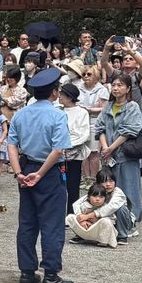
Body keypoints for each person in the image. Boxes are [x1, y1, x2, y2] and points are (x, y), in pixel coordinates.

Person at [7, 68, 74, 283]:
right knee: (52, 223)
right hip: (49, 171)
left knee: (27, 222)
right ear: (54, 92)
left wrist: (18, 173)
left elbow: (11, 145)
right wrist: (41, 173)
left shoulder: (21, 114)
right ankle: (51, 274)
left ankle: (27, 271)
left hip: (26, 167)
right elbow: (58, 150)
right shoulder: (57, 115)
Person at [95, 73, 142, 224]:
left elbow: (129, 131)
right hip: (108, 156)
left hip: (125, 155)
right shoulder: (108, 106)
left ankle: (131, 220)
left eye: (120, 85)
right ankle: (111, 219)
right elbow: (100, 127)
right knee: (107, 188)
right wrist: (105, 148)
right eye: (113, 85)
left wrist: (110, 148)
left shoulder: (132, 107)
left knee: (129, 189)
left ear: (128, 88)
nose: (116, 88)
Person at [56, 81, 94, 213]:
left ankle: (71, 214)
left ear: (70, 97)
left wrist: (67, 144)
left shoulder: (82, 112)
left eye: (62, 95)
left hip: (74, 155)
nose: (59, 97)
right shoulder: (57, 110)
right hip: (57, 154)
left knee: (73, 186)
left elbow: (83, 134)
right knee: (58, 186)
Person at [67, 183, 122, 248]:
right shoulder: (84, 205)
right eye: (95, 196)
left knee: (106, 221)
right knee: (70, 217)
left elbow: (113, 221)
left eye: (101, 197)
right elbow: (79, 214)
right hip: (86, 227)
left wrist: (97, 219)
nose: (98, 199)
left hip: (98, 231)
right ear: (88, 197)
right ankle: (80, 236)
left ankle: (103, 240)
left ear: (105, 198)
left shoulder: (106, 207)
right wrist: (82, 221)